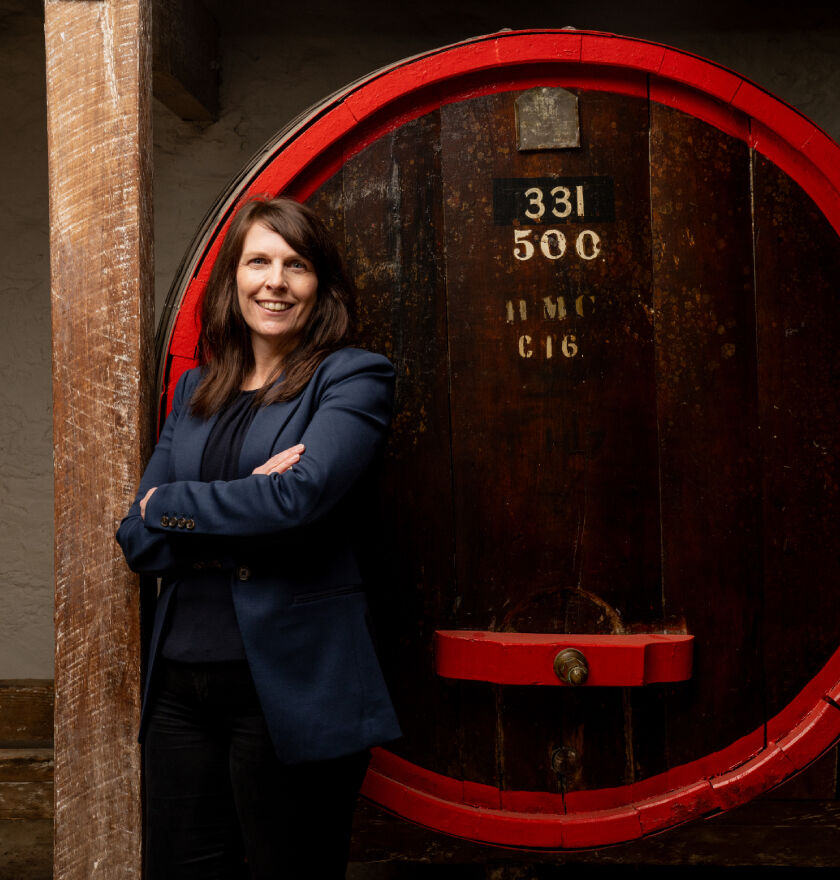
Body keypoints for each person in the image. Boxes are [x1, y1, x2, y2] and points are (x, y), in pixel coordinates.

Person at [116, 197, 401, 879]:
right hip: (180, 690)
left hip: (288, 687)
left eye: (295, 265)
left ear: (319, 285)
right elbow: (136, 535)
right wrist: (243, 504)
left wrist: (175, 504)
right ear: (233, 280)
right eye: (258, 262)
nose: (275, 281)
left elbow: (295, 499)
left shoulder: (352, 378)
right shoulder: (194, 392)